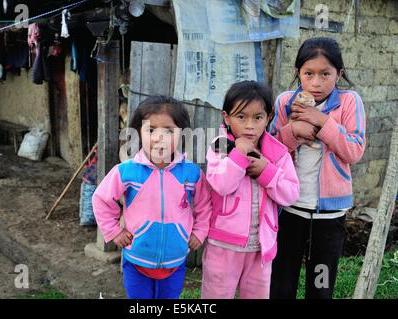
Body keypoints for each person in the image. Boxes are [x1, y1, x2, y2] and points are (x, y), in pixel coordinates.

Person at [269, 37, 366, 299]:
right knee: (281, 284)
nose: (316, 82)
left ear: (339, 74)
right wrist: (293, 131)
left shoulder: (349, 102)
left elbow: (354, 150)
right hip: (289, 209)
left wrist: (322, 121)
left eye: (326, 74)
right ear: (297, 73)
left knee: (320, 287)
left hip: (329, 216)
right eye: (308, 74)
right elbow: (271, 151)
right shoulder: (285, 102)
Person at [92, 95, 212, 299]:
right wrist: (113, 231)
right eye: (151, 130)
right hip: (136, 258)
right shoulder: (127, 171)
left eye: (168, 130)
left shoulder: (191, 174)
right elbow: (101, 199)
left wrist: (199, 232)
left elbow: (204, 205)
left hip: (176, 259)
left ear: (182, 133)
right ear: (139, 132)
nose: (159, 137)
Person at [201, 81, 300, 299]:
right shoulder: (220, 147)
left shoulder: (277, 153)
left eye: (257, 117)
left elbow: (291, 194)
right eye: (241, 117)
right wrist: (238, 156)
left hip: (260, 248)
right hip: (223, 245)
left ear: (269, 117)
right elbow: (221, 184)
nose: (249, 126)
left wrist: (267, 171)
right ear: (227, 118)